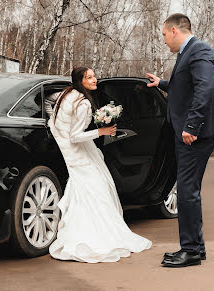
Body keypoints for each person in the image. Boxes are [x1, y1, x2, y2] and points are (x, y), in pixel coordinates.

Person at [146, 13, 214, 268]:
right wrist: (162, 83)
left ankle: (190, 251)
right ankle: (197, 247)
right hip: (191, 131)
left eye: (163, 35)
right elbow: (187, 87)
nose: (163, 41)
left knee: (186, 191)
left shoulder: (199, 50)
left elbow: (204, 89)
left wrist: (191, 125)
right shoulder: (188, 53)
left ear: (173, 31)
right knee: (188, 190)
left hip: (196, 134)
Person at [48, 67, 152, 263]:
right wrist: (102, 131)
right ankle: (97, 235)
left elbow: (53, 117)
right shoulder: (84, 103)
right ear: (80, 81)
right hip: (78, 154)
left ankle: (81, 228)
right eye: (89, 77)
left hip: (70, 154)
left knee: (88, 192)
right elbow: (75, 136)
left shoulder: (65, 94)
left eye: (94, 76)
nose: (94, 79)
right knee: (100, 191)